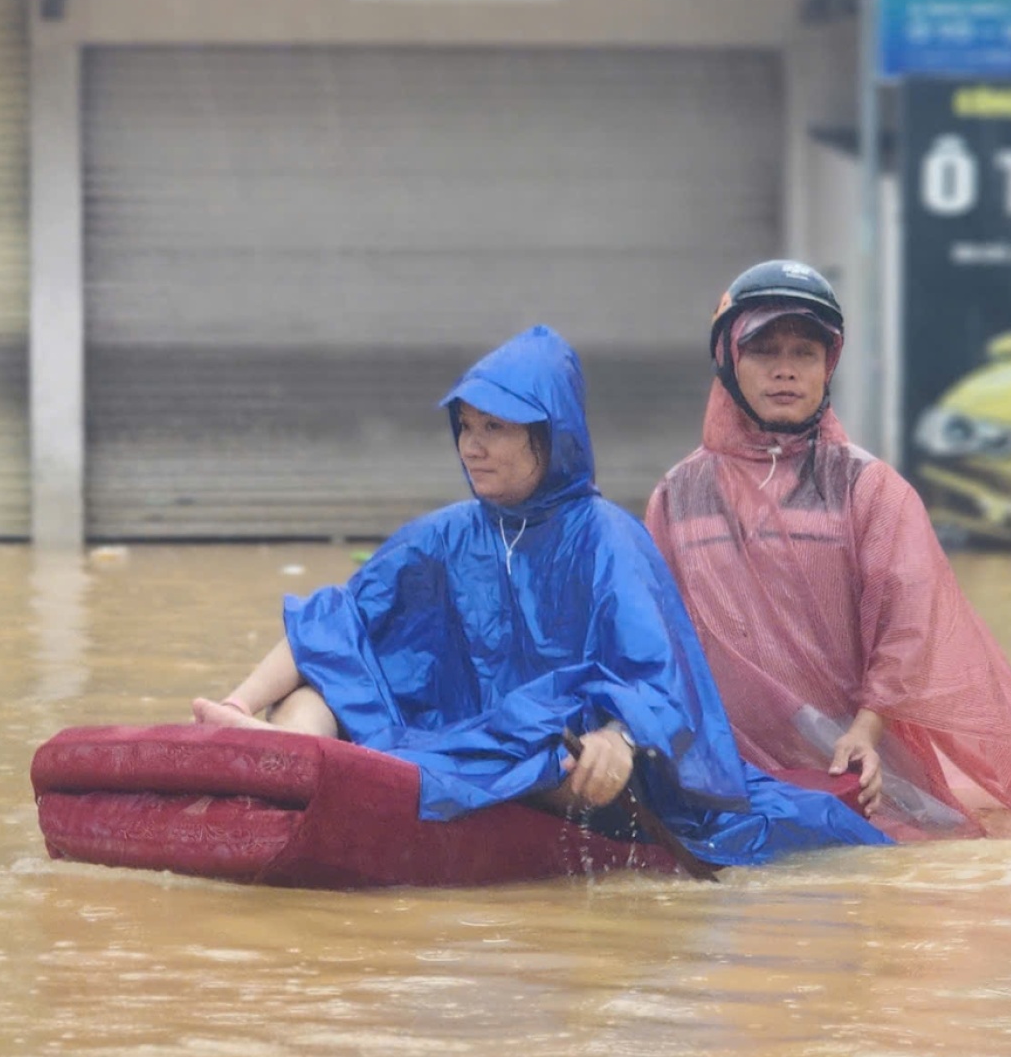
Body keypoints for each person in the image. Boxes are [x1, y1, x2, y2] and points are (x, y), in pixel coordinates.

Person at [192, 325, 888, 867]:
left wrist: (618, 736)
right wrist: (240, 702)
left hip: (568, 761)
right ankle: (279, 757)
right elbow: (334, 624)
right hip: (455, 740)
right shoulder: (444, 534)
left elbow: (660, 680)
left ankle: (327, 775)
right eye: (466, 427)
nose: (472, 447)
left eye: (494, 428)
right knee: (317, 686)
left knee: (555, 757)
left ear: (548, 439)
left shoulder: (608, 539)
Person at [642, 261, 1011, 838]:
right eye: (764, 351)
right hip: (727, 775)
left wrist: (865, 734)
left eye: (805, 353)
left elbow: (909, 628)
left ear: (828, 366)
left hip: (855, 768)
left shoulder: (870, 488)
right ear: (728, 360)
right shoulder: (677, 496)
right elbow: (652, 641)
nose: (786, 370)